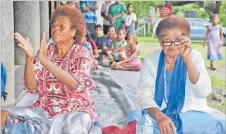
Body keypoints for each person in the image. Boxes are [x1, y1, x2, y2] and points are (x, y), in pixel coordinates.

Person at [1, 6, 97, 134]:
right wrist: (29, 58)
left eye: (62, 26)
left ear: (73, 32)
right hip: (44, 110)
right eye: (54, 26)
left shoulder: (81, 52)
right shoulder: (47, 51)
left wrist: (45, 61)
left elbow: (76, 84)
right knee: (3, 115)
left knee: (75, 126)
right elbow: (31, 86)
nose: (56, 28)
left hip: (73, 111)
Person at [133, 16, 225, 134]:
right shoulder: (152, 60)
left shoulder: (195, 57)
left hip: (192, 114)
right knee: (145, 127)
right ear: (160, 42)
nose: (173, 45)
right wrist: (160, 117)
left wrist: (188, 60)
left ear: (187, 39)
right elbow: (144, 95)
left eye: (178, 40)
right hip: (159, 113)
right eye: (167, 40)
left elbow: (203, 92)